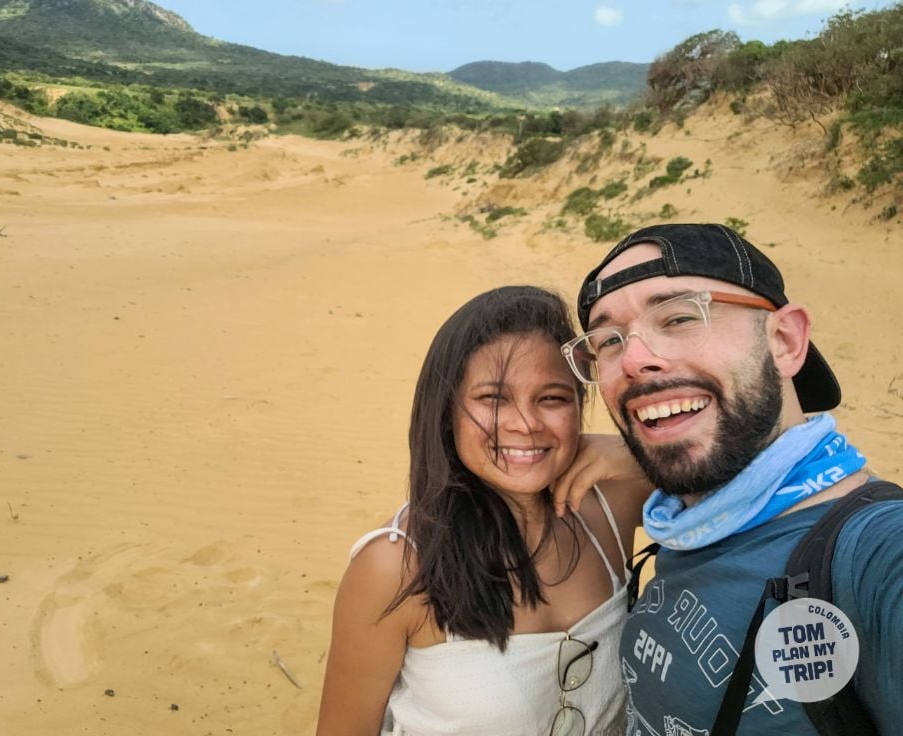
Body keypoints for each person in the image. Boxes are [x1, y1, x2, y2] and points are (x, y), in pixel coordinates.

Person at [568, 222, 903, 734]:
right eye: (608, 341)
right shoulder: (686, 515)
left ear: (786, 341)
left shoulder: (874, 554)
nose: (634, 360)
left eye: (679, 316)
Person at [316, 285, 652, 736]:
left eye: (552, 398)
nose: (526, 423)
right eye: (493, 399)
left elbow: (747, 482)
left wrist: (638, 454)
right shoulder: (394, 566)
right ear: (446, 411)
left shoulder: (612, 504)